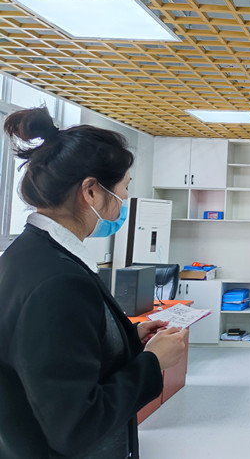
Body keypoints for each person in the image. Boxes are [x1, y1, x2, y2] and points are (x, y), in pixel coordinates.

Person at [0, 107, 187, 459]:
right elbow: (77, 425)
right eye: (124, 187)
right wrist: (152, 363)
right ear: (91, 192)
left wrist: (127, 337)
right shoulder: (58, 282)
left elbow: (58, 361)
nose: (125, 200)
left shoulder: (29, 256)